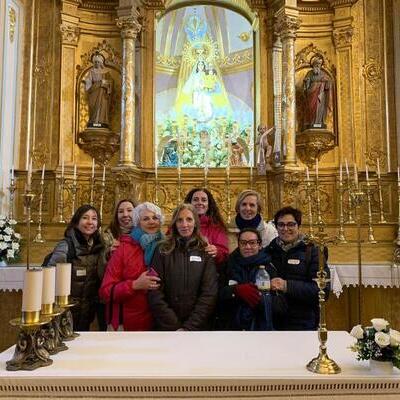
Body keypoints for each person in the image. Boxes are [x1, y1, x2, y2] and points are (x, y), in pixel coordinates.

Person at [148, 204, 218, 331]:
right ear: (174, 224)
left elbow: (209, 293)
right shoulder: (162, 250)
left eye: (189, 219)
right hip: (167, 327)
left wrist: (189, 327)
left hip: (197, 327)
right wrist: (174, 325)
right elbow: (154, 291)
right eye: (180, 220)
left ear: (196, 223)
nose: (184, 224)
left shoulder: (205, 251)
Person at [99, 202, 164, 331]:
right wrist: (134, 285)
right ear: (138, 223)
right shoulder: (123, 248)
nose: (151, 221)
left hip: (159, 322)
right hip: (126, 324)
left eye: (155, 218)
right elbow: (105, 292)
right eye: (145, 219)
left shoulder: (166, 247)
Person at [268, 206, 330, 330]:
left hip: (303, 322)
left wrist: (287, 286)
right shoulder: (269, 250)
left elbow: (322, 291)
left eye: (291, 224)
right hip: (274, 321)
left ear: (298, 225)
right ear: (276, 227)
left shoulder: (313, 251)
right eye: (281, 225)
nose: (286, 229)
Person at [47, 204, 106, 331]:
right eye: (85, 217)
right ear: (76, 221)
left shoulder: (98, 247)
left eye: (94, 218)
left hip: (86, 312)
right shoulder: (66, 246)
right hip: (65, 311)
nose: (90, 222)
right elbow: (49, 277)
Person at [218, 228, 279, 330]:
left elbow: (280, 304)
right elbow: (218, 295)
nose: (248, 247)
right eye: (243, 243)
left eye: (252, 243)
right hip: (231, 326)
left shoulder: (269, 267)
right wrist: (235, 291)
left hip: (260, 326)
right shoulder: (228, 265)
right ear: (238, 244)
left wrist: (262, 298)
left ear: (259, 245)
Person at [184, 188, 229, 265]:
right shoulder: (178, 223)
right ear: (189, 203)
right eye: (195, 200)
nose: (199, 203)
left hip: (208, 270)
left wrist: (216, 251)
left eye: (204, 200)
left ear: (209, 205)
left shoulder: (216, 227)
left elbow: (224, 253)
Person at [84, 53, 113, 128]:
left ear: (101, 63)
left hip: (103, 95)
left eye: (98, 62)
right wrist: (99, 83)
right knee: (93, 108)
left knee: (102, 108)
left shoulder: (106, 72)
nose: (96, 63)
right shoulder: (91, 72)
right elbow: (88, 84)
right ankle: (94, 121)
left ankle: (102, 121)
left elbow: (110, 83)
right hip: (94, 93)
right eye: (95, 62)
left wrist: (107, 85)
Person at [303, 56, 332, 129]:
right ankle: (311, 122)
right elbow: (306, 87)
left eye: (319, 65)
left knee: (319, 108)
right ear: (313, 65)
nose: (317, 66)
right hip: (311, 94)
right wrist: (306, 82)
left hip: (320, 95)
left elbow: (327, 87)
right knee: (310, 108)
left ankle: (318, 122)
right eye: (316, 64)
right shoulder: (309, 73)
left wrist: (327, 82)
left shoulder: (323, 74)